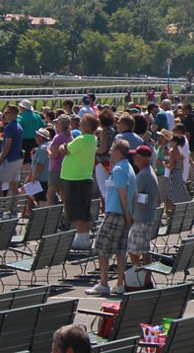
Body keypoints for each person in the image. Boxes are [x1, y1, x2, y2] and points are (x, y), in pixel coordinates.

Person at [87, 138, 136, 296]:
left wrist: (128, 214)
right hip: (123, 213)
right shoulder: (129, 168)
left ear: (118, 152)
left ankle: (103, 283)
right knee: (120, 250)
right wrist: (130, 214)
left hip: (116, 213)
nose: (109, 152)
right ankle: (119, 283)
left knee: (101, 247)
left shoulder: (118, 170)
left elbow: (123, 195)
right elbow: (133, 194)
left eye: (112, 149)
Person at [62, 114, 99, 250]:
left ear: (88, 126)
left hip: (75, 178)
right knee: (83, 209)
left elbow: (65, 150)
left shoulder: (82, 139)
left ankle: (81, 238)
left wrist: (62, 146)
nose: (80, 122)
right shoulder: (92, 139)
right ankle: (84, 236)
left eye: (83, 121)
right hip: (83, 177)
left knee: (77, 210)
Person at [128, 145, 161, 270]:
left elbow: (133, 196)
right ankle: (145, 277)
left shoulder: (144, 175)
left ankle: (140, 276)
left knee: (133, 250)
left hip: (141, 218)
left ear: (144, 158)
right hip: (146, 215)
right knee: (144, 250)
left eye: (136, 156)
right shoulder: (149, 171)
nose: (134, 158)